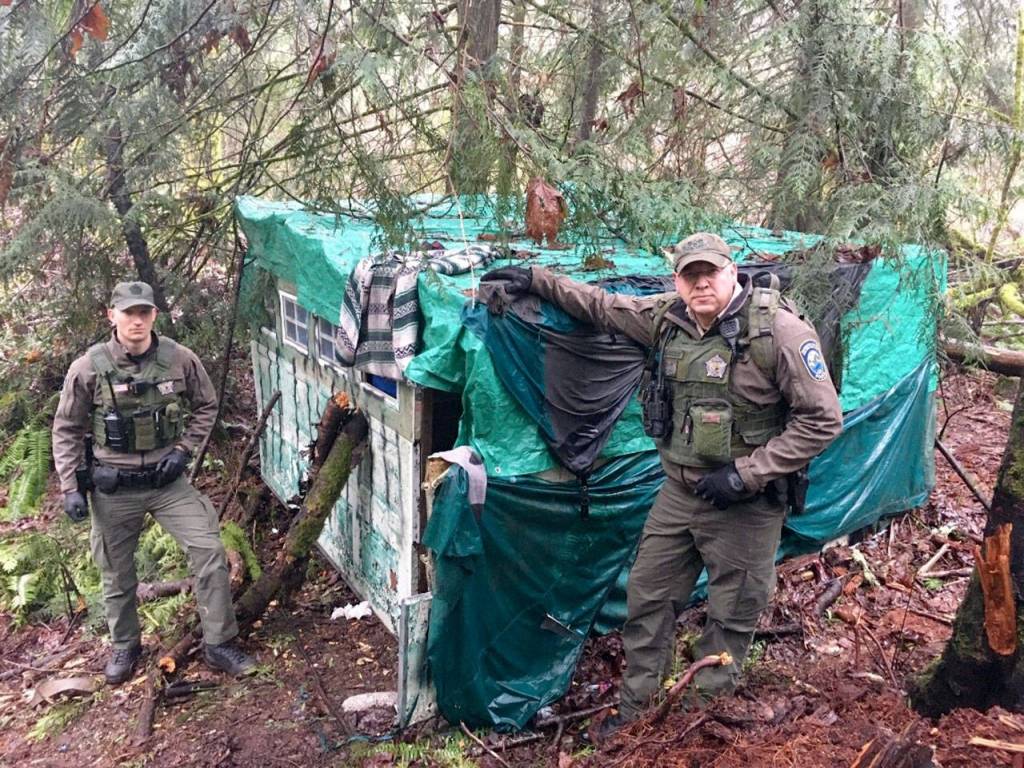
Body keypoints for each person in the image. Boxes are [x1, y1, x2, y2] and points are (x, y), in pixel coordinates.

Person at [482, 233, 843, 737]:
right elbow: (603, 306)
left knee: (730, 616)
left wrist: (746, 474)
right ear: (677, 279)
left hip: (748, 505)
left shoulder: (778, 333)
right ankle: (635, 716)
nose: (700, 284)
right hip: (679, 493)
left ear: (731, 271)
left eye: (709, 273)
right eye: (689, 275)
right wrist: (536, 280)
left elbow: (822, 421)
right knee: (647, 598)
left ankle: (695, 723)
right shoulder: (668, 319)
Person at [52, 281, 255, 685]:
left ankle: (219, 644)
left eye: (144, 312)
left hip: (168, 483)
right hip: (114, 488)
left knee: (210, 551)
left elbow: (207, 406)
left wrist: (183, 450)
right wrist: (71, 486)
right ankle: (126, 645)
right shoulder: (89, 367)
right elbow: (67, 427)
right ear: (112, 316)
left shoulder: (179, 358)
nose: (137, 321)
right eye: (128, 313)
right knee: (115, 572)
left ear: (154, 316)